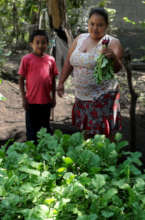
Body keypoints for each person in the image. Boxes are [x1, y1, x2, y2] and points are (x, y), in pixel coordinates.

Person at [57, 8, 123, 140]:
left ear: (106, 26)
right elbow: (69, 63)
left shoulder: (112, 42)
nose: (95, 28)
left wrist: (113, 58)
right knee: (86, 133)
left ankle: (108, 159)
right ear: (88, 23)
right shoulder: (80, 38)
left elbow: (117, 69)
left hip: (103, 97)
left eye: (100, 25)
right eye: (92, 24)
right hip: (82, 97)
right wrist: (61, 82)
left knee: (105, 134)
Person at [18, 29, 59, 142]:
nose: (40, 45)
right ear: (31, 44)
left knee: (44, 128)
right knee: (31, 130)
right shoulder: (26, 59)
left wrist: (54, 98)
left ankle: (44, 153)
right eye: (37, 42)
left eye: (43, 42)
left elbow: (53, 80)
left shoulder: (51, 60)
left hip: (46, 102)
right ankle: (32, 152)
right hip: (31, 102)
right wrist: (24, 99)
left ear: (47, 44)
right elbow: (21, 80)